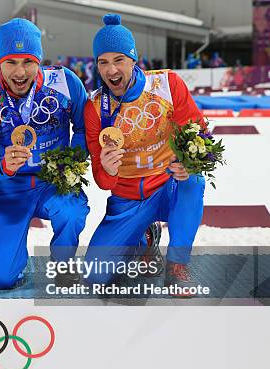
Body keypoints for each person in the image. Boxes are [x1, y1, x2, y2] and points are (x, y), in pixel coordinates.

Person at [84, 14, 206, 297]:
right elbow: (103, 182)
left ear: (133, 60)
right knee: (94, 276)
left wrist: (189, 164)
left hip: (166, 186)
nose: (111, 69)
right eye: (103, 62)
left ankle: (177, 266)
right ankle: (145, 238)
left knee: (194, 182)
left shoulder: (167, 85)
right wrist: (107, 169)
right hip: (126, 199)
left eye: (119, 60)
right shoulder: (94, 108)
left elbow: (200, 135)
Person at [0, 18, 90, 289]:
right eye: (11, 62)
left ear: (39, 60)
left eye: (28, 62)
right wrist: (4, 166)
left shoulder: (65, 82)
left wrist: (72, 161)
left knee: (71, 213)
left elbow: (84, 128)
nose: (20, 72)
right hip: (11, 189)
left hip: (54, 184)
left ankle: (64, 261)